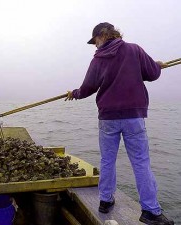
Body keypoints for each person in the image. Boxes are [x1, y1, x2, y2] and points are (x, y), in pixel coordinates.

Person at [66, 22, 174, 225]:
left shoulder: (98, 59)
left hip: (108, 117)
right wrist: (155, 65)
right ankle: (150, 211)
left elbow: (88, 87)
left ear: (103, 35)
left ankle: (105, 201)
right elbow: (152, 74)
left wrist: (75, 94)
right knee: (141, 162)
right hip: (133, 116)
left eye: (95, 41)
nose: (95, 46)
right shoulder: (134, 50)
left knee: (107, 160)